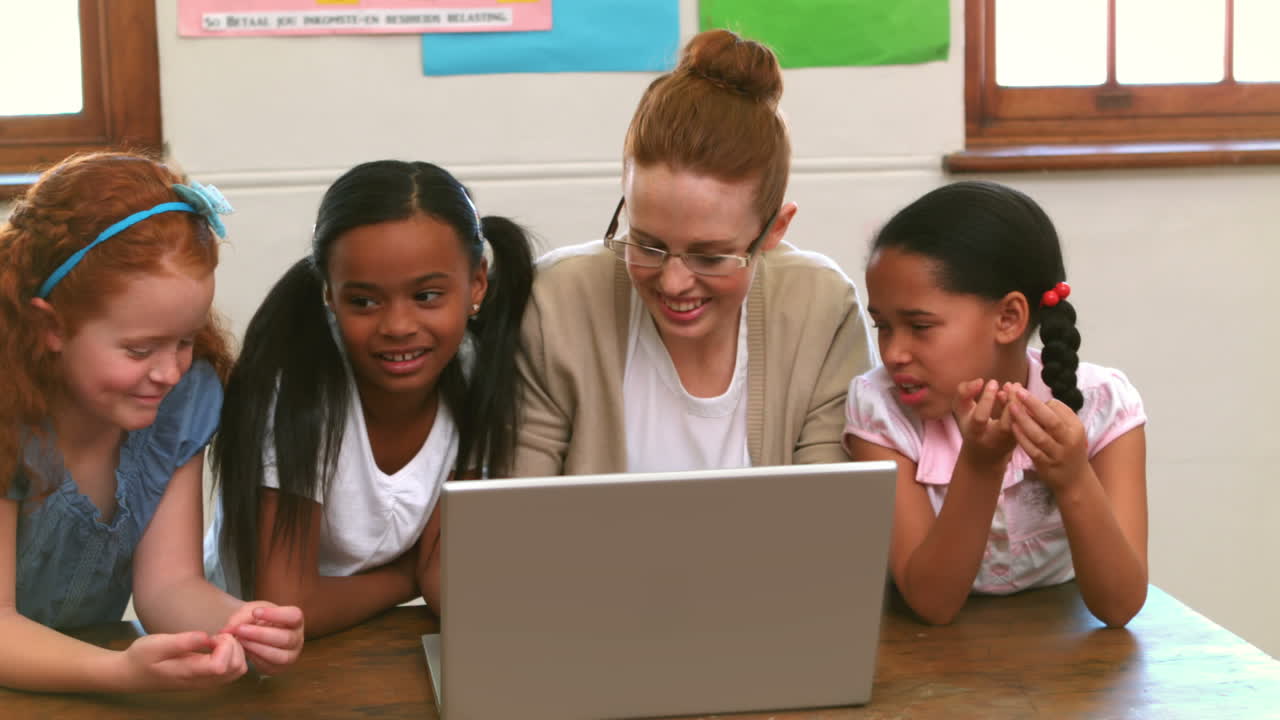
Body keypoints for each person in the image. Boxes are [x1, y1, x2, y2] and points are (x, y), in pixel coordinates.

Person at [0, 152, 304, 692]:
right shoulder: (9, 415)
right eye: (140, 349)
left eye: (185, 340)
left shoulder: (179, 405)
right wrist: (118, 671)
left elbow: (169, 587)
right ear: (50, 326)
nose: (169, 371)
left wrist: (237, 624)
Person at [513, 29, 872, 476]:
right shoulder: (556, 301)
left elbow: (830, 517)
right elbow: (519, 516)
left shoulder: (822, 308)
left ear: (774, 229)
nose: (673, 281)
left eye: (711, 256)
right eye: (647, 244)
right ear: (625, 203)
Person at [205, 160, 534, 637]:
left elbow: (445, 578)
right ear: (329, 294)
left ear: (476, 283)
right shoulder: (298, 386)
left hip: (374, 638)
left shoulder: (476, 371)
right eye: (363, 301)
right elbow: (284, 606)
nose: (397, 326)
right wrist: (407, 574)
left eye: (426, 296)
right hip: (247, 655)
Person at [844, 180, 1148, 627]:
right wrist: (981, 465)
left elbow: (1120, 606)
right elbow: (932, 602)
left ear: (1008, 318)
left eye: (920, 326)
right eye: (883, 326)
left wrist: (1073, 477)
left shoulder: (1103, 404)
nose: (892, 353)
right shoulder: (882, 412)